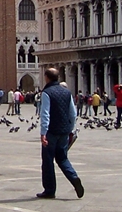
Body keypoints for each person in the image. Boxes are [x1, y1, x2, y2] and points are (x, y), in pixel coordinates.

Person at [37, 67, 83, 200]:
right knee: (62, 158)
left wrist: (43, 133)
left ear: (47, 77)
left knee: (48, 161)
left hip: (51, 132)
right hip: (64, 131)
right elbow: (73, 114)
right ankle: (74, 178)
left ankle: (50, 190)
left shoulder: (47, 92)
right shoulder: (66, 92)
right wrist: (70, 129)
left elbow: (45, 114)